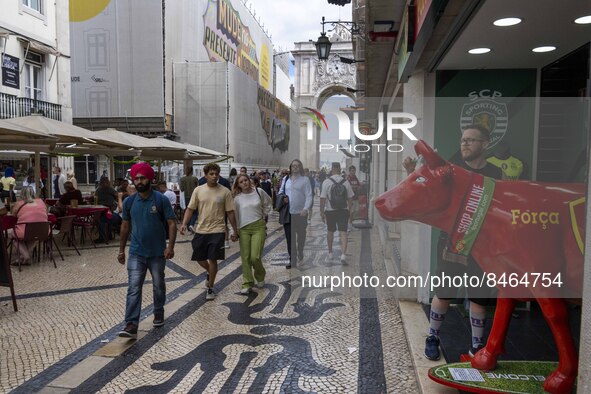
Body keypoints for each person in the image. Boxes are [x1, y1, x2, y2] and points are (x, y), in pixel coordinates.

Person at [403, 124, 502, 361]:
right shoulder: (451, 171)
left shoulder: (497, 175)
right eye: (463, 140)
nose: (465, 143)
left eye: (471, 140)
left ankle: (477, 346)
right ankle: (432, 337)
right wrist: (410, 172)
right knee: (444, 293)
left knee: (479, 299)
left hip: (481, 248)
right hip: (451, 245)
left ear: (485, 144)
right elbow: (423, 192)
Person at [117, 162, 177, 339]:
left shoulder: (160, 199)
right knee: (134, 288)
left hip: (157, 253)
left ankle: (158, 312)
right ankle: (131, 324)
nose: (139, 181)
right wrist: (121, 250)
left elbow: (172, 223)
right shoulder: (129, 202)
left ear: (150, 179)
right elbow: (125, 226)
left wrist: (170, 247)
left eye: (142, 177)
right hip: (136, 252)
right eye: (136, 178)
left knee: (158, 286)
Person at [180, 163, 238, 300]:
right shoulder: (198, 190)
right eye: (211, 174)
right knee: (199, 258)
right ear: (205, 175)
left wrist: (235, 230)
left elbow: (230, 212)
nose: (214, 176)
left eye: (216, 174)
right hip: (201, 229)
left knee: (213, 258)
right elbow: (190, 209)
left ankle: (210, 287)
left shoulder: (225, 191)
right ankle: (210, 272)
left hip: (218, 229)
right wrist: (184, 223)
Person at [232, 174, 272, 294]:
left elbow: (268, 202)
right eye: (241, 182)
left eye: (245, 180)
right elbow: (235, 215)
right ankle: (247, 282)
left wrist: (264, 215)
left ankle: (260, 276)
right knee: (246, 257)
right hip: (244, 229)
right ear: (238, 185)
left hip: (258, 226)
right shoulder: (237, 198)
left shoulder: (259, 191)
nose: (244, 183)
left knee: (255, 256)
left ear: (249, 181)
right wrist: (234, 230)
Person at [277, 159, 313, 269]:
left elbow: (309, 195)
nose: (295, 167)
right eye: (293, 166)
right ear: (291, 167)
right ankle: (292, 259)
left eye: (297, 166)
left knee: (301, 236)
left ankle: (300, 253)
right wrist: (283, 198)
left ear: (300, 167)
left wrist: (306, 209)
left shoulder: (305, 180)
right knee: (289, 237)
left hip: (300, 214)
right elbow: (280, 192)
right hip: (289, 213)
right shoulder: (286, 179)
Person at [320, 162, 355, 263]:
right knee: (343, 232)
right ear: (339, 169)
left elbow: (322, 198)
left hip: (330, 211)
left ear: (332, 169)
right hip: (343, 210)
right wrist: (350, 211)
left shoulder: (326, 182)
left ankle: (330, 253)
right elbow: (350, 198)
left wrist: (322, 212)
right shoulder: (346, 182)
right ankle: (343, 254)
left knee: (330, 231)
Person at [10, 186, 49, 265]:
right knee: (34, 238)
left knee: (13, 237)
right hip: (43, 230)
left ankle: (25, 256)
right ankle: (23, 257)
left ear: (22, 194)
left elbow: (13, 215)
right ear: (33, 193)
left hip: (25, 231)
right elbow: (46, 212)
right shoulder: (41, 201)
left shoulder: (19, 203)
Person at [95, 177, 121, 243]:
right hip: (111, 210)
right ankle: (109, 235)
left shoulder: (98, 189)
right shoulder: (108, 188)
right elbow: (117, 195)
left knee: (101, 220)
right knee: (105, 219)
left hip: (106, 210)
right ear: (106, 182)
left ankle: (103, 237)